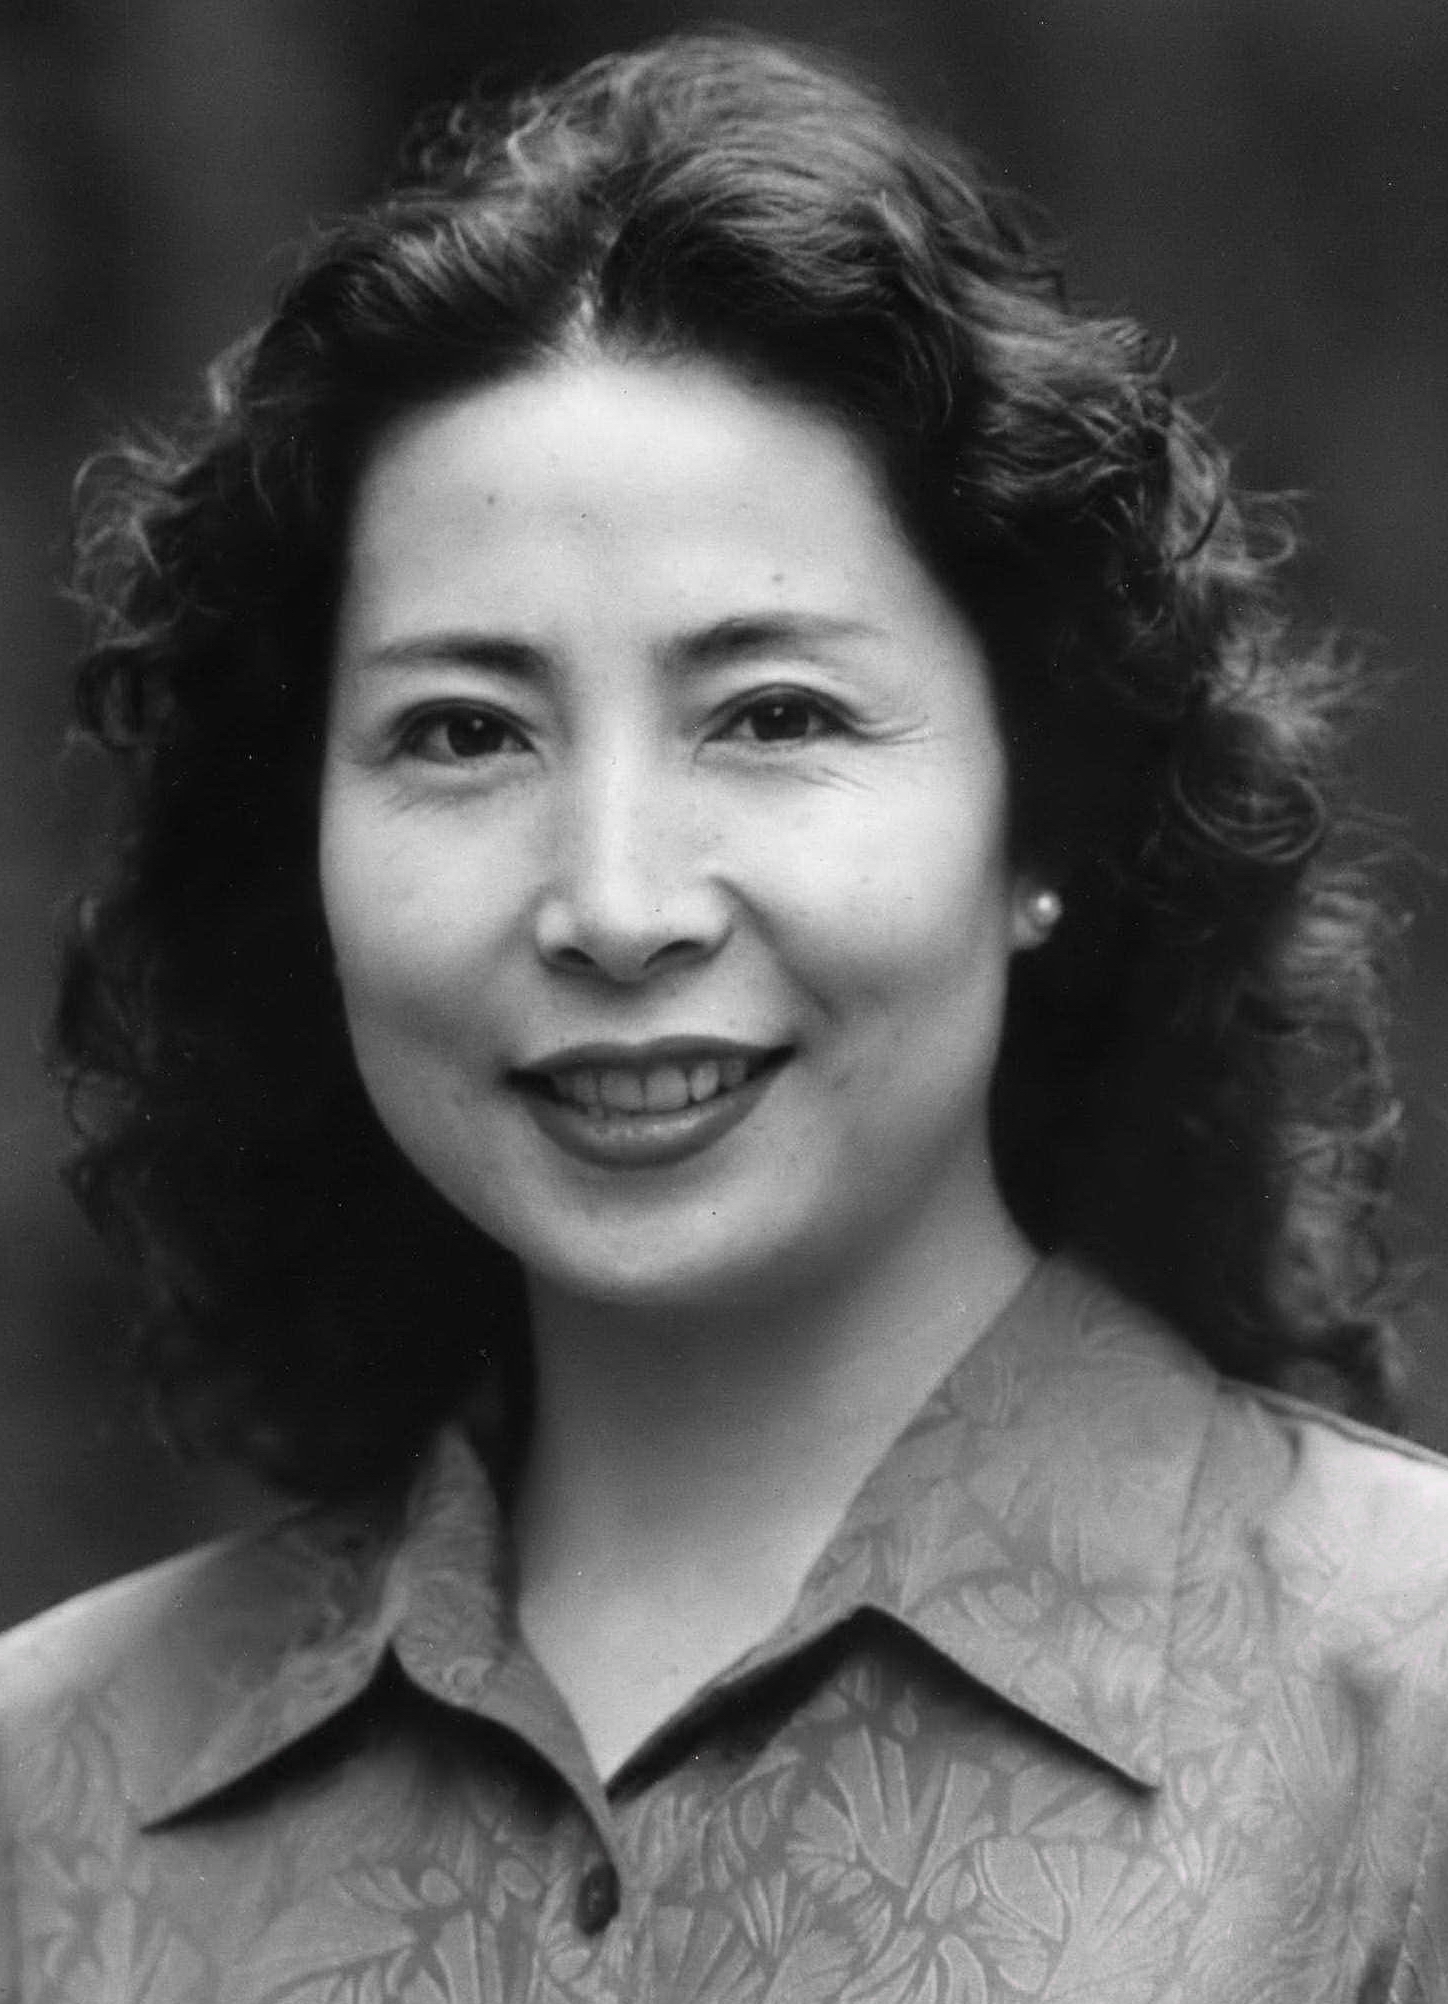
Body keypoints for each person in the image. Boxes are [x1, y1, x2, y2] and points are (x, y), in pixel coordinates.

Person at [2, 29, 1446, 2001]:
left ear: (1046, 814)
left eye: (773, 715)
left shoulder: (1398, 1734)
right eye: (462, 732)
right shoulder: (55, 1802)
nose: (614, 904)